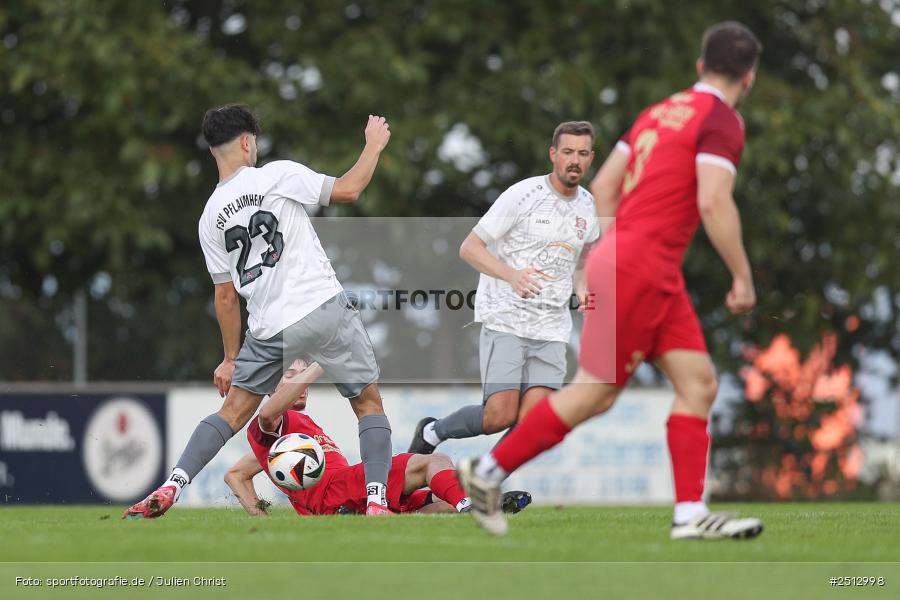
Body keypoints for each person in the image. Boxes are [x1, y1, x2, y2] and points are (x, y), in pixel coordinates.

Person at [458, 22, 765, 539]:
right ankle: (486, 473)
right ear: (749, 78)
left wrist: (608, 248)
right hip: (642, 266)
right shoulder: (723, 120)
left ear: (699, 67)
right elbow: (713, 200)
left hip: (640, 265)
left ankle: (690, 515)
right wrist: (742, 276)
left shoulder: (659, 112)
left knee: (698, 384)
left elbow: (604, 185)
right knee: (595, 393)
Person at [125, 105, 395, 519]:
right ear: (248, 142)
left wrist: (231, 358)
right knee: (368, 405)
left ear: (213, 151)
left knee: (231, 413)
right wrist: (373, 146)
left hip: (269, 328)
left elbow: (226, 297)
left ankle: (171, 485)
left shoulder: (210, 215)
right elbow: (349, 189)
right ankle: (377, 503)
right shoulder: (275, 174)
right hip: (322, 308)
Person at [408, 122, 599, 455]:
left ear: (591, 158)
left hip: (552, 329)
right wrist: (512, 276)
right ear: (553, 154)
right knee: (499, 416)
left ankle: (485, 479)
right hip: (506, 319)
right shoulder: (522, 195)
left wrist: (581, 288)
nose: (575, 160)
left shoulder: (589, 206)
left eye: (582, 154)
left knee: (533, 422)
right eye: (568, 152)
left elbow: (583, 259)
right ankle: (433, 432)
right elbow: (470, 247)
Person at [226, 360, 533, 516]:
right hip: (341, 487)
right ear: (271, 385)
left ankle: (481, 505)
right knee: (434, 461)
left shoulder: (284, 441)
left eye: (302, 374)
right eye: (292, 375)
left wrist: (259, 516)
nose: (302, 383)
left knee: (430, 504)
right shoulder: (271, 424)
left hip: (342, 498)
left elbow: (235, 475)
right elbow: (267, 415)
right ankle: (468, 505)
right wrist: (322, 364)